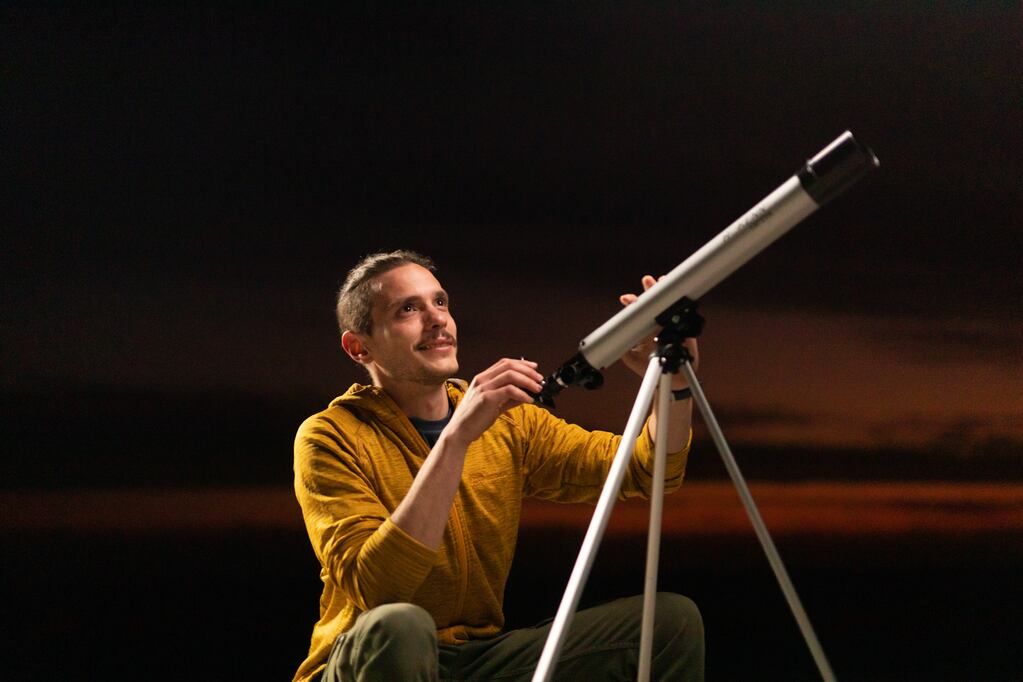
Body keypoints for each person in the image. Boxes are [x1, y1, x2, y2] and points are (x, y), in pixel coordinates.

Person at [293, 250, 704, 681]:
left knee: (670, 623)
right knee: (402, 624)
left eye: (440, 302)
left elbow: (649, 471)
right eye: (407, 309)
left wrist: (673, 381)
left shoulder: (510, 424)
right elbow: (381, 589)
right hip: (371, 660)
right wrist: (456, 439)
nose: (436, 319)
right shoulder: (330, 436)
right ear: (359, 347)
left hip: (475, 660)